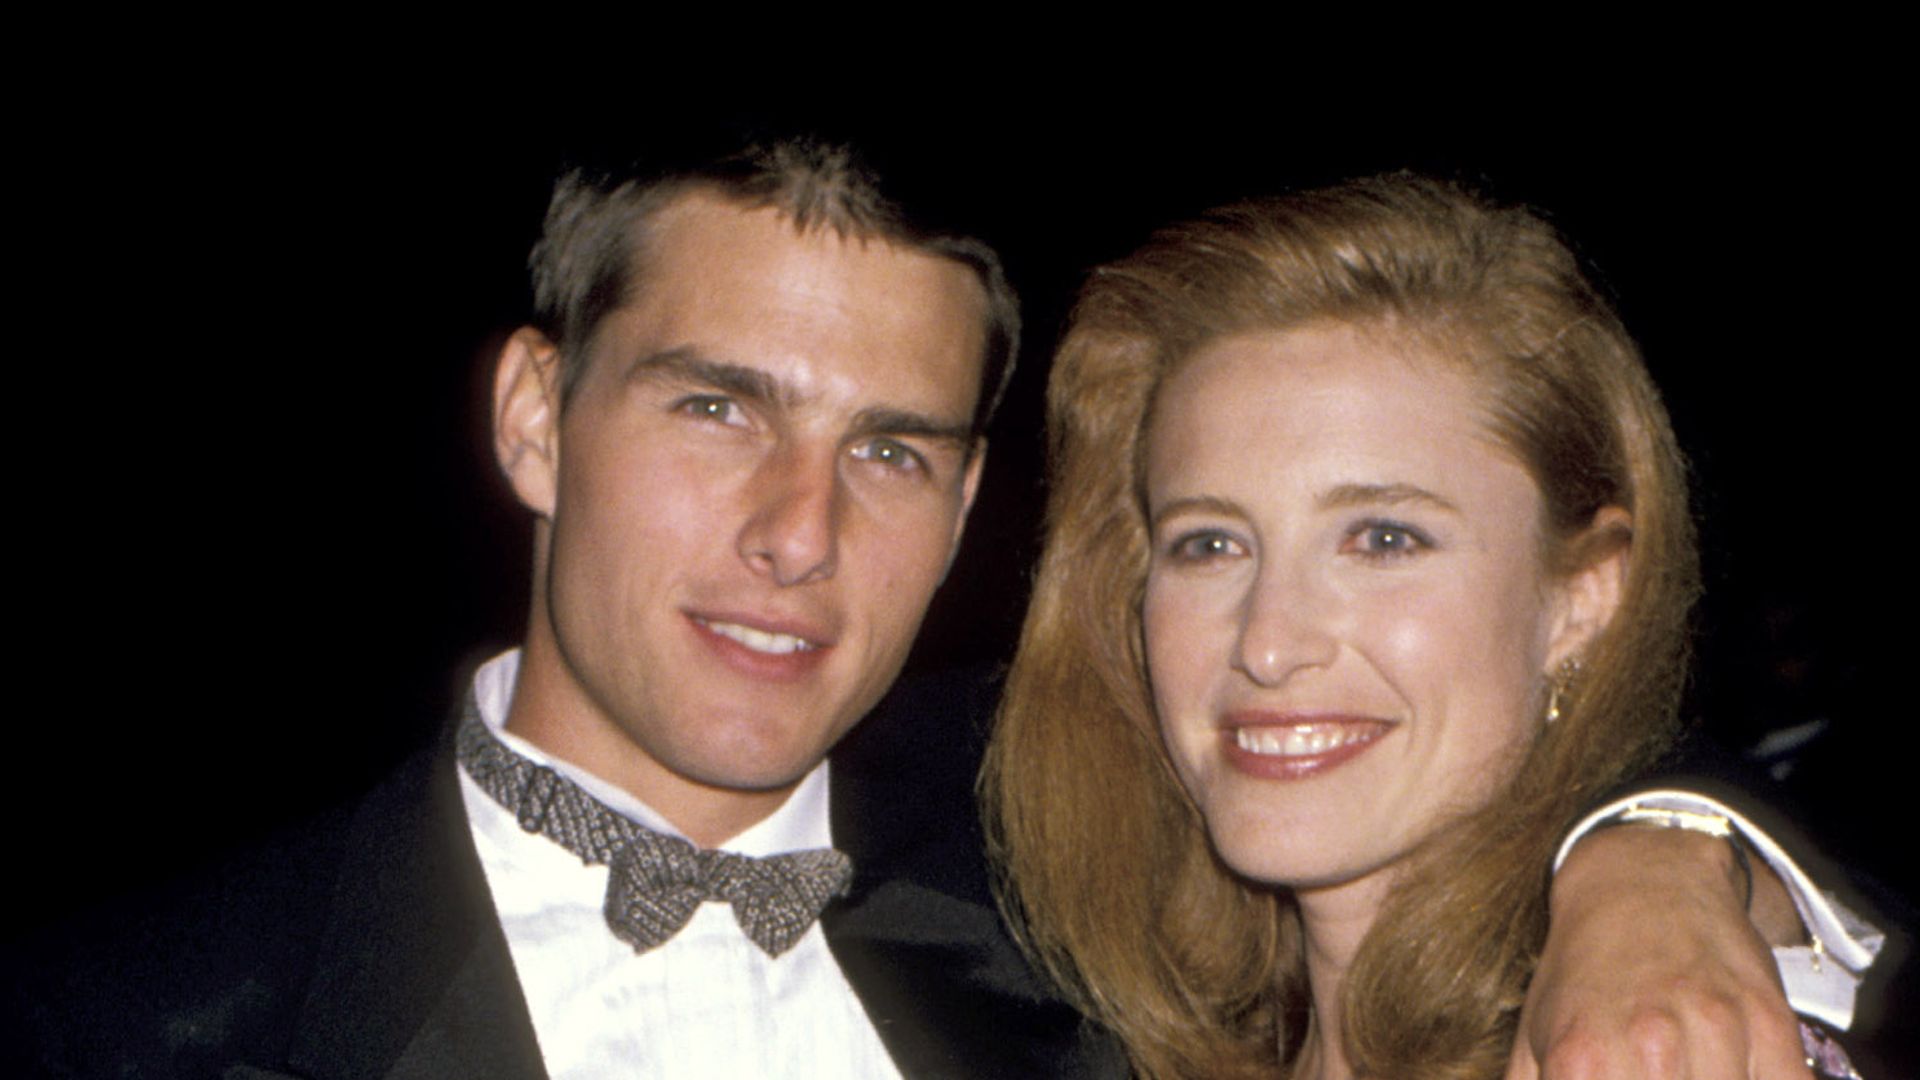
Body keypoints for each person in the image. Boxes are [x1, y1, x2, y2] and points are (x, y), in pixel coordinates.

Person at [5, 142, 1873, 1079]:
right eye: (718, 409)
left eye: (890, 448)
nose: (796, 532)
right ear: (534, 418)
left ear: (970, 498)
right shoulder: (128, 1019)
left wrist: (1656, 849)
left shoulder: (1042, 908)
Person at [984, 174, 1882, 1078]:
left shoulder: (1664, 1054)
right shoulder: (1062, 1012)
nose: (1267, 644)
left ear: (1581, 599)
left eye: (1383, 539)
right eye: (1209, 544)